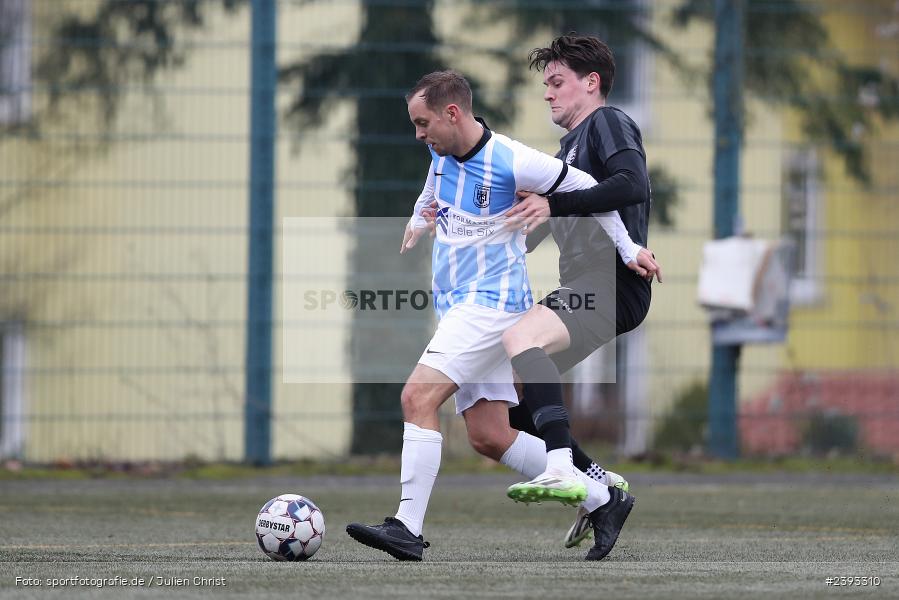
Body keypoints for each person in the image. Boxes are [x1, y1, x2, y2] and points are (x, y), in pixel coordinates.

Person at [345, 70, 648, 562]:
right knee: (489, 434)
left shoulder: (511, 159)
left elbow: (593, 186)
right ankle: (603, 498)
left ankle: (406, 526)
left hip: (490, 303)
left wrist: (629, 245)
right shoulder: (439, 153)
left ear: (453, 113)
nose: (418, 135)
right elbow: (433, 183)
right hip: (457, 305)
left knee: (417, 397)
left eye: (423, 124)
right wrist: (420, 215)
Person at [499, 34, 659, 560]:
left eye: (557, 82)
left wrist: (554, 205)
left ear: (591, 83)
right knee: (513, 402)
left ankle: (565, 467)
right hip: (586, 288)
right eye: (546, 85)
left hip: (611, 284)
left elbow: (630, 184)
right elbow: (543, 222)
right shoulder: (565, 151)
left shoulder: (608, 123)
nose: (548, 94)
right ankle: (603, 492)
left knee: (522, 336)